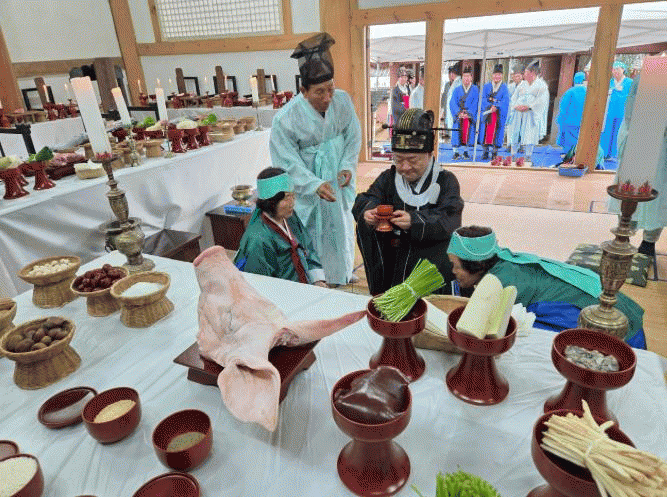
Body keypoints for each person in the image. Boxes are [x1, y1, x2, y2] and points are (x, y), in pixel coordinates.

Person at [446, 226, 646, 348]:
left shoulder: (500, 284)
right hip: (613, 303)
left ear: (476, 265)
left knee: (522, 336)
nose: (453, 271)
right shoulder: (504, 260)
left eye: (456, 265)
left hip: (615, 326)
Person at [270, 32, 361, 286]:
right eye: (319, 92)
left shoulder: (342, 101)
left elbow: (353, 135)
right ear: (303, 91)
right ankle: (318, 279)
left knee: (341, 224)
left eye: (330, 89)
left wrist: (347, 166)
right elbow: (286, 161)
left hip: (336, 174)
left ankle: (343, 271)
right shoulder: (286, 118)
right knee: (313, 231)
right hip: (309, 183)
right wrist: (313, 184)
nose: (327, 97)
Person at [353, 108, 464, 296]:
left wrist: (414, 221)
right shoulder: (388, 178)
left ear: (429, 154)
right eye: (398, 159)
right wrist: (369, 211)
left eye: (412, 160)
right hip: (393, 263)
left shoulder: (446, 181)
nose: (404, 167)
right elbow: (367, 198)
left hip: (430, 267)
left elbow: (449, 218)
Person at [234, 168, 327, 287]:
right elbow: (261, 284)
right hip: (281, 293)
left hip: (304, 286)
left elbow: (307, 247)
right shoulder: (258, 239)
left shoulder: (290, 217)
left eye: (293, 195)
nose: (292, 202)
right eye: (286, 198)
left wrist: (317, 280)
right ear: (271, 202)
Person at [608, 74, 666, 258]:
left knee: (658, 194)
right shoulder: (650, 74)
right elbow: (630, 112)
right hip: (641, 136)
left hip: (659, 145)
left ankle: (647, 242)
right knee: (632, 192)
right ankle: (625, 235)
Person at [506, 60, 549, 166]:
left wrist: (529, 106)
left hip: (530, 114)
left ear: (532, 73)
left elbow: (542, 101)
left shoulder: (541, 85)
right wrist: (516, 106)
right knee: (514, 132)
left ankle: (528, 155)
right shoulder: (522, 84)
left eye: (525, 72)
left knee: (529, 134)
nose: (524, 74)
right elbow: (513, 98)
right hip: (518, 113)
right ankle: (513, 153)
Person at [600, 61, 633, 159]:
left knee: (618, 133)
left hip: (622, 112)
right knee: (606, 131)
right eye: (613, 69)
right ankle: (604, 154)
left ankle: (614, 155)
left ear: (623, 69)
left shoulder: (629, 82)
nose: (615, 72)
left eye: (618, 69)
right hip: (609, 112)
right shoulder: (609, 82)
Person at [479, 64, 510, 161]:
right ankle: (485, 151)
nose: (497, 76)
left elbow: (505, 101)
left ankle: (494, 152)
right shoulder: (486, 86)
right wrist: (490, 106)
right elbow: (482, 98)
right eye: (495, 74)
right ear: (492, 75)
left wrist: (496, 106)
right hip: (488, 114)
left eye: (499, 74)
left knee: (497, 132)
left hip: (498, 114)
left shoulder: (504, 88)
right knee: (485, 132)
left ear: (502, 76)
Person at [449, 66, 479, 160]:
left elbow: (476, 103)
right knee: (456, 132)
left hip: (469, 117)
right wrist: (458, 113)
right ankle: (456, 152)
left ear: (471, 77)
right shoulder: (457, 89)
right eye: (464, 76)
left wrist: (468, 113)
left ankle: (466, 151)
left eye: (468, 76)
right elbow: (452, 102)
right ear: (462, 78)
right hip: (459, 116)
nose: (466, 78)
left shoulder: (475, 90)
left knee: (469, 133)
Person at [556, 72, 587, 153]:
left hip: (569, 122)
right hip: (584, 122)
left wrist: (560, 120)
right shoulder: (588, 92)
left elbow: (563, 107)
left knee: (569, 143)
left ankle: (569, 157)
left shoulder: (570, 92)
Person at [442, 62, 462, 136]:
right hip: (449, 110)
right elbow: (444, 98)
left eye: (452, 73)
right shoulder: (449, 84)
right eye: (450, 73)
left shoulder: (458, 83)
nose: (451, 75)